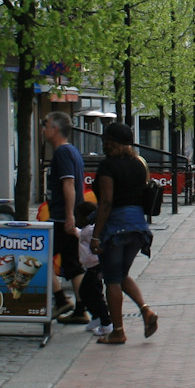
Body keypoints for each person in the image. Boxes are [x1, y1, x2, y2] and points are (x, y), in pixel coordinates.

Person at [92, 122, 160, 344]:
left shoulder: (107, 167)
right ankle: (146, 310)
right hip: (138, 226)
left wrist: (96, 234)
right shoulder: (139, 164)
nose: (103, 144)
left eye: (105, 140)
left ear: (111, 142)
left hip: (115, 228)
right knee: (121, 275)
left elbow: (106, 202)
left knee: (111, 280)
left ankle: (118, 331)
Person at [41, 111, 90, 325]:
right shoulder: (71, 152)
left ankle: (63, 300)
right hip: (64, 217)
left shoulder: (62, 153)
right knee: (72, 263)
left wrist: (69, 216)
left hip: (62, 219)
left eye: (46, 125)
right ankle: (80, 308)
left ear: (56, 129)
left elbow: (69, 184)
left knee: (40, 257)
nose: (43, 129)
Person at [72, 201, 112, 335]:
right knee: (85, 292)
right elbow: (81, 234)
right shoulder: (87, 229)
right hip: (91, 266)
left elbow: (85, 236)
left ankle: (106, 322)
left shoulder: (90, 229)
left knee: (95, 294)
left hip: (96, 266)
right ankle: (96, 317)